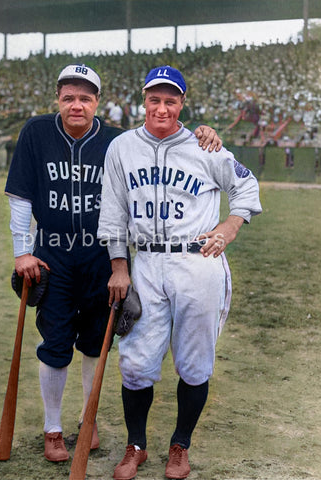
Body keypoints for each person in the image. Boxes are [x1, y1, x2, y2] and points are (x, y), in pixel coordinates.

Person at [4, 63, 223, 464]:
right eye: (69, 97)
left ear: (98, 103)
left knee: (95, 342)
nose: (76, 105)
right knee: (54, 345)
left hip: (100, 256)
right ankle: (53, 428)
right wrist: (22, 251)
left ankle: (88, 421)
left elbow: (163, 139)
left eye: (85, 98)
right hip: (51, 254)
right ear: (58, 98)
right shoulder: (36, 132)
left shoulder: (117, 141)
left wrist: (204, 131)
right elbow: (20, 197)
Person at [97, 65, 262, 480]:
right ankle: (136, 445)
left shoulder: (206, 147)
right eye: (155, 99)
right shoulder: (121, 147)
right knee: (135, 363)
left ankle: (180, 445)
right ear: (144, 100)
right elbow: (113, 210)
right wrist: (119, 266)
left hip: (197, 262)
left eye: (171, 100)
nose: (162, 107)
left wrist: (229, 226)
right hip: (147, 262)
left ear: (182, 104)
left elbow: (246, 186)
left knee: (194, 362)